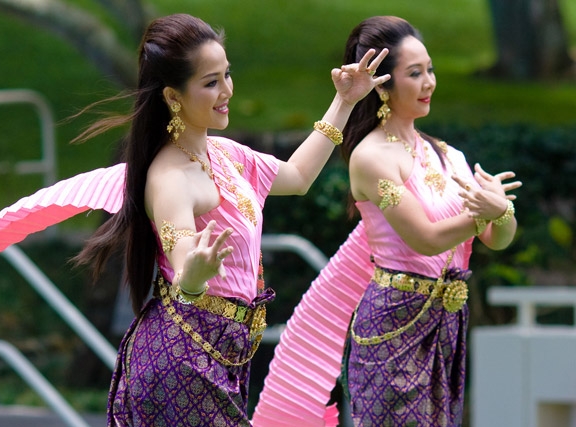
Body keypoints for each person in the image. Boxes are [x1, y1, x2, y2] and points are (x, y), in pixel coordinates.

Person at [64, 13, 390, 427]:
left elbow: (298, 177)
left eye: (227, 74)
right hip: (180, 363)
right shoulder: (170, 179)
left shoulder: (226, 154)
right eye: (210, 82)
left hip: (223, 354)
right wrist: (194, 274)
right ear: (173, 96)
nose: (227, 91)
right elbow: (183, 258)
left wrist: (344, 101)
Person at [252, 16, 521, 427]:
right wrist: (483, 212)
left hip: (447, 324)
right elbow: (426, 239)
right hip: (392, 323)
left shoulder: (447, 155)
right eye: (415, 73)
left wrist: (501, 213)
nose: (429, 82)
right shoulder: (371, 157)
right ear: (383, 84)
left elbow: (495, 239)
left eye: (430, 69)